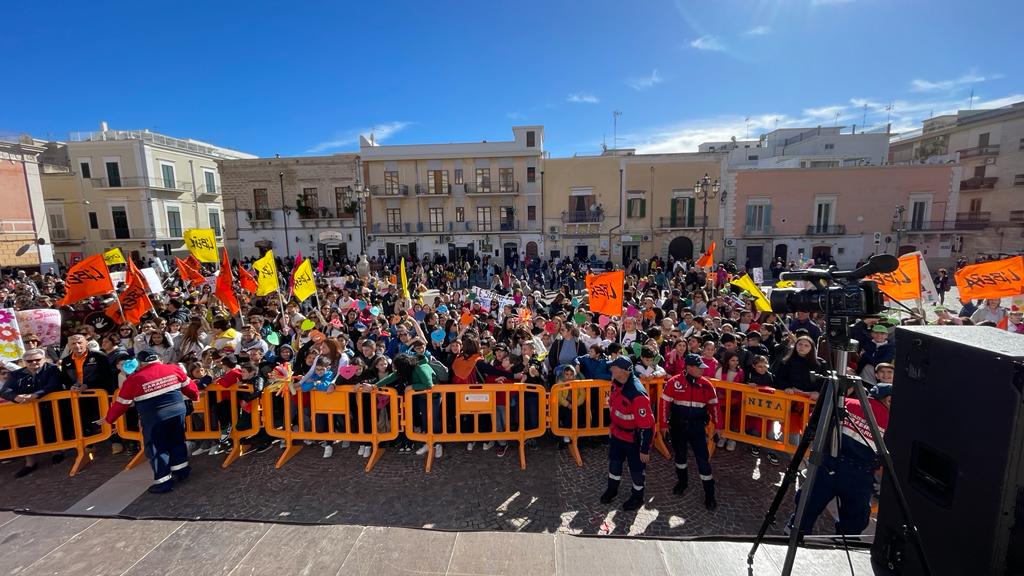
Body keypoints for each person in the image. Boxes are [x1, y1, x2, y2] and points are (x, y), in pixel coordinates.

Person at [790, 383, 892, 536]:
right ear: (889, 400)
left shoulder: (846, 404)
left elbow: (814, 423)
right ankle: (842, 544)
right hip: (860, 475)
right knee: (853, 522)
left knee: (806, 508)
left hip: (828, 465)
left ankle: (794, 535)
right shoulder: (891, 421)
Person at [101, 349, 198, 494]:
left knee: (157, 448)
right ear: (158, 359)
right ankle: (181, 471)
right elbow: (190, 388)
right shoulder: (173, 369)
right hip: (177, 412)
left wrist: (109, 419)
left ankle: (164, 482)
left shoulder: (134, 379)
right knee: (177, 441)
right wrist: (195, 397)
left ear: (140, 363)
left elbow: (121, 404)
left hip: (154, 417)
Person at [659, 353, 719, 510]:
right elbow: (664, 404)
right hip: (678, 427)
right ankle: (682, 482)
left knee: (703, 460)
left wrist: (718, 427)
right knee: (680, 457)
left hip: (697, 427)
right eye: (699, 368)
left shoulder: (706, 385)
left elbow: (714, 407)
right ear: (689, 368)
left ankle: (710, 494)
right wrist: (663, 425)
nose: (703, 370)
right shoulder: (674, 382)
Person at [600, 356, 655, 511]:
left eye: (614, 368)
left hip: (633, 439)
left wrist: (644, 449)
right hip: (618, 434)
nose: (611, 370)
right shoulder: (616, 383)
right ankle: (612, 489)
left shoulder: (637, 394)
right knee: (614, 464)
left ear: (624, 371)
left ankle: (637, 497)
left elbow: (647, 426)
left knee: (636, 470)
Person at [1, 348, 66, 477]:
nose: (34, 363)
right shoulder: (16, 374)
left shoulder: (52, 369)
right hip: (26, 411)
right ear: (24, 362)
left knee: (51, 430)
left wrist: (35, 395)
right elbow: (5, 390)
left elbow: (52, 385)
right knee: (24, 435)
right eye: (29, 361)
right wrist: (15, 397)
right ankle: (30, 463)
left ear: (44, 359)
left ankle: (57, 453)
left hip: (48, 407)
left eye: (37, 360)